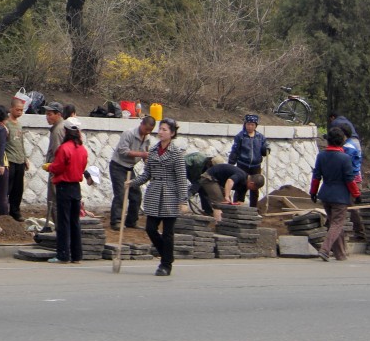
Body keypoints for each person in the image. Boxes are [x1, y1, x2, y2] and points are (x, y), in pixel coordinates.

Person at [128, 118, 187, 276]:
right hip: (154, 192)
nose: (161, 132)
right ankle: (168, 255)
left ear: (172, 133)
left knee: (168, 232)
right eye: (160, 129)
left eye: (165, 130)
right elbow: (147, 174)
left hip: (170, 194)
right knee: (150, 228)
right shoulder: (153, 150)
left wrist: (183, 200)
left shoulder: (176, 154)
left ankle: (165, 264)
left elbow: (181, 178)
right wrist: (132, 183)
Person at [311, 127, 361, 261]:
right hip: (340, 197)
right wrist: (356, 194)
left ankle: (340, 254)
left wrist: (313, 192)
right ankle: (325, 249)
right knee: (337, 224)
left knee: (334, 223)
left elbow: (316, 177)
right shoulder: (345, 158)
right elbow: (350, 180)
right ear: (341, 141)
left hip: (325, 194)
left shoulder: (321, 156)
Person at [43, 119, 88, 263]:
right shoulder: (82, 150)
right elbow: (81, 167)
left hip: (64, 186)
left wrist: (49, 167)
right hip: (76, 187)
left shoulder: (64, 148)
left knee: (63, 222)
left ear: (66, 132)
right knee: (75, 222)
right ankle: (77, 255)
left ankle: (63, 254)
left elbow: (58, 167)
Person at [109, 116, 155, 230]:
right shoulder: (128, 134)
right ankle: (116, 221)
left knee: (136, 195)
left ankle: (131, 221)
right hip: (118, 166)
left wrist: (148, 163)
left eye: (150, 131)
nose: (147, 132)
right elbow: (123, 151)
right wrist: (142, 154)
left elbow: (146, 153)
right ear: (142, 124)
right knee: (120, 194)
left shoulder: (147, 138)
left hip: (130, 168)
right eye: (146, 129)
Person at [199, 163, 264, 223]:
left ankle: (227, 224)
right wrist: (227, 196)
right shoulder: (241, 175)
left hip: (218, 182)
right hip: (209, 178)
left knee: (227, 204)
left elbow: (240, 202)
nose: (252, 190)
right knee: (219, 203)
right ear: (252, 183)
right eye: (254, 188)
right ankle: (218, 225)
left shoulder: (244, 186)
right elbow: (230, 181)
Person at [227, 114, 270, 207]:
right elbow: (235, 151)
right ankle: (237, 205)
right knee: (241, 186)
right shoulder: (240, 136)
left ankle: (254, 208)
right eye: (248, 124)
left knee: (255, 188)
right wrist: (231, 163)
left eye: (252, 125)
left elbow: (263, 151)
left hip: (256, 165)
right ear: (245, 124)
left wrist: (266, 149)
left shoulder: (260, 137)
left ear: (256, 126)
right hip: (243, 164)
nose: (250, 127)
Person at [5, 94, 29, 221]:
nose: (20, 112)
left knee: (18, 188)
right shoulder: (6, 124)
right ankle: (5, 210)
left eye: (22, 110)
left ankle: (15, 211)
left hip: (19, 160)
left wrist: (25, 158)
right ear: (11, 109)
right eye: (18, 109)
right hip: (10, 159)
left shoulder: (19, 125)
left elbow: (21, 142)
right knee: (8, 187)